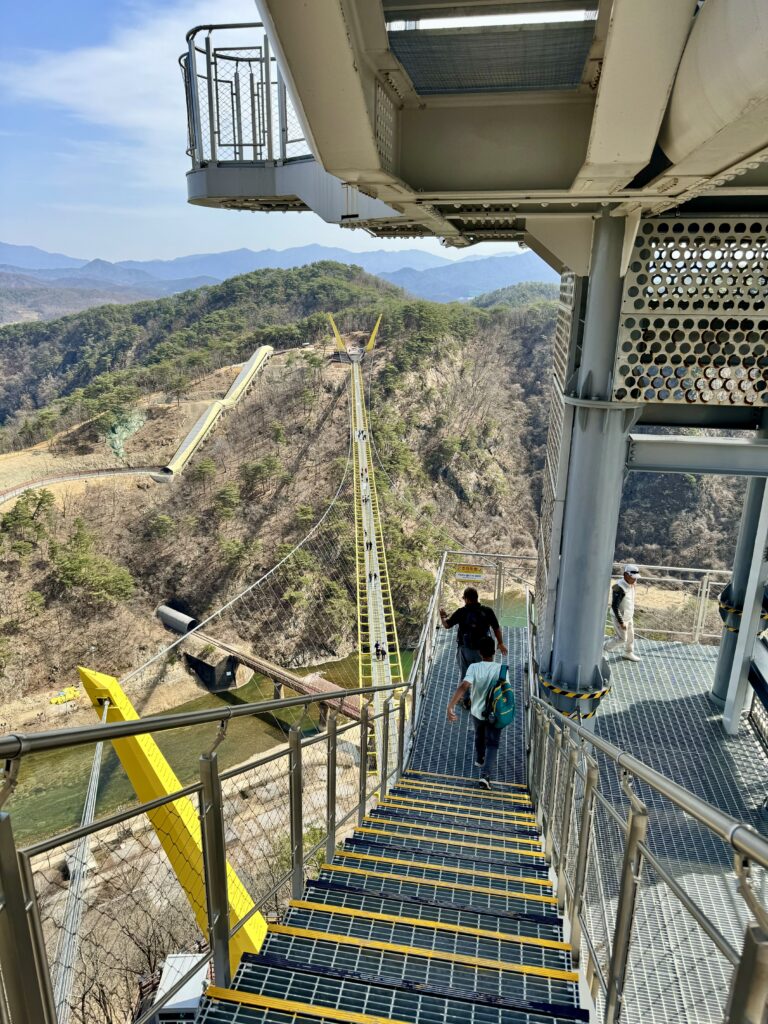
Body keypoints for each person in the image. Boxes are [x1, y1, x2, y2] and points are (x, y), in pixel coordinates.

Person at [446, 635, 503, 790]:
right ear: (494, 652)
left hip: (477, 711)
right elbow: (506, 691)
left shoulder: (473, 668)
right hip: (495, 713)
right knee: (493, 743)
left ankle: (479, 758)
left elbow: (464, 686)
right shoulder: (501, 669)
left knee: (479, 733)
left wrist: (450, 706)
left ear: (479, 652)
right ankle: (485, 776)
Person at [440, 587, 507, 684]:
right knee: (483, 675)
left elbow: (447, 625)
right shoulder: (487, 611)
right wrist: (500, 643)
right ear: (477, 598)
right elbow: (496, 628)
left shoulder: (461, 612)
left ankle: (466, 697)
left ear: (466, 599)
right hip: (483, 650)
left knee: (465, 675)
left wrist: (443, 617)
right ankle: (481, 696)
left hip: (465, 649)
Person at [605, 564, 641, 662]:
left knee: (631, 636)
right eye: (633, 578)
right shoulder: (619, 587)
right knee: (622, 638)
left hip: (628, 615)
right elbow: (615, 606)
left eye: (636, 578)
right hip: (619, 617)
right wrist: (621, 622)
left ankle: (628, 652)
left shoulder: (631, 584)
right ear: (626, 575)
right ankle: (604, 649)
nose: (635, 580)